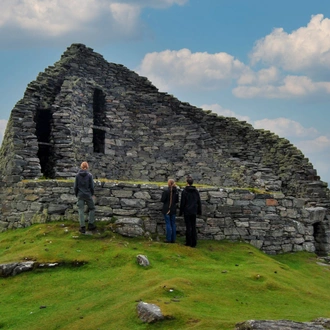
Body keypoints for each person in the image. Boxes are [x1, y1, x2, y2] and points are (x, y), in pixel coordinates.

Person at [74, 161, 96, 233]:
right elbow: (92, 186)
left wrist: (76, 194)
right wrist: (91, 194)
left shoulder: (77, 175)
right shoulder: (89, 175)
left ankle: (82, 227)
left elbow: (75, 187)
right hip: (88, 195)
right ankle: (90, 224)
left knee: (81, 210)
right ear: (87, 167)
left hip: (80, 195)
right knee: (92, 208)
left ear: (81, 167)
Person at [179, 176, 202, 247]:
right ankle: (194, 242)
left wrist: (181, 211)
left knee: (188, 227)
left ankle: (188, 241)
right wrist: (199, 211)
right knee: (193, 226)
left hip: (187, 210)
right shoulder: (196, 191)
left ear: (187, 183)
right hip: (194, 210)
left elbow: (182, 202)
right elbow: (199, 202)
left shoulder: (185, 191)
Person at [161, 179, 179, 243]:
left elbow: (162, 200)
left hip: (167, 209)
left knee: (168, 223)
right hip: (173, 209)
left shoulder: (166, 191)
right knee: (173, 224)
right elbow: (177, 201)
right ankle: (173, 239)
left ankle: (168, 239)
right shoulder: (176, 191)